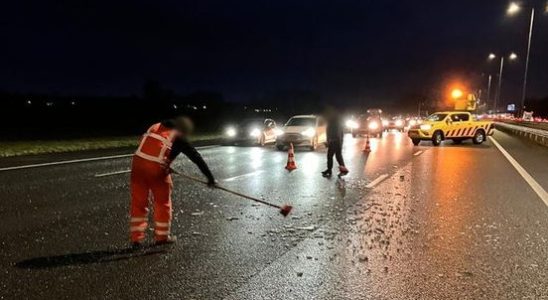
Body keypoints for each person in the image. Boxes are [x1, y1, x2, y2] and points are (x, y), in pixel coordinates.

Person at [129, 116, 216, 247]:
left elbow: (152, 147)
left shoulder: (155, 126)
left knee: (138, 204)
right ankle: (162, 237)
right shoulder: (178, 137)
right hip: (156, 171)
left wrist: (166, 163)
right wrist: (210, 178)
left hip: (137, 167)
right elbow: (196, 157)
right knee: (162, 203)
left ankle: (136, 239)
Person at [322, 107, 349, 178]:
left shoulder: (334, 122)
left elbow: (336, 132)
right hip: (337, 141)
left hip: (335, 141)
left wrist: (331, 140)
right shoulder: (335, 121)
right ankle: (342, 169)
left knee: (330, 155)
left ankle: (330, 170)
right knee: (338, 156)